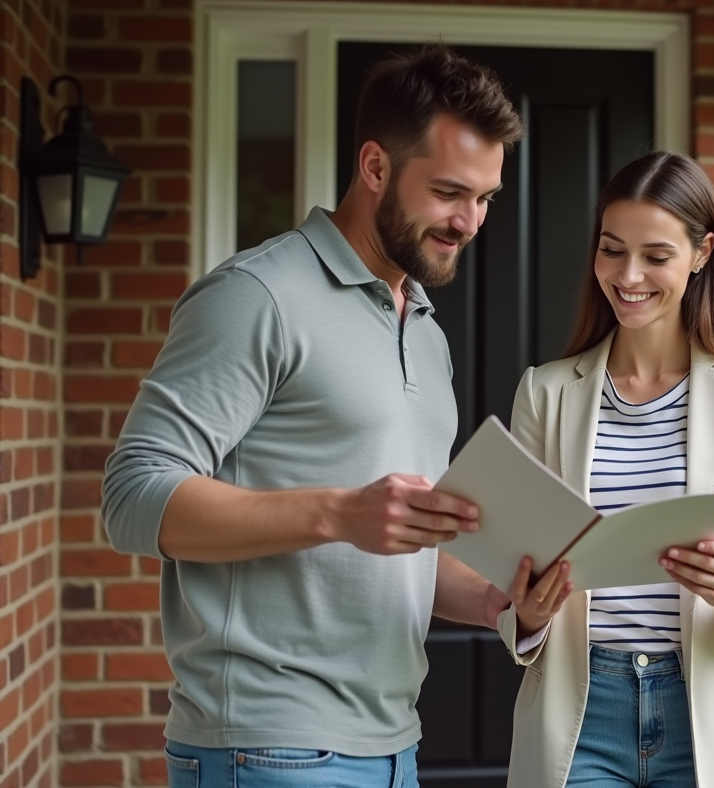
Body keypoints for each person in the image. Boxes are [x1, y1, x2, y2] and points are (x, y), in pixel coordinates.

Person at [102, 45, 526, 788]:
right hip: (267, 748)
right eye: (450, 192)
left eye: (486, 197)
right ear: (374, 168)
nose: (470, 221)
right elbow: (132, 498)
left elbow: (403, 554)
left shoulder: (425, 330)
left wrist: (497, 600)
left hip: (393, 747)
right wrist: (337, 512)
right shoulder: (256, 296)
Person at [496, 151, 714, 788]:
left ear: (701, 254)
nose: (628, 274)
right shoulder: (546, 393)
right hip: (579, 714)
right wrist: (526, 614)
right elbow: (512, 587)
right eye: (612, 250)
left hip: (713, 716)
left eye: (656, 256)